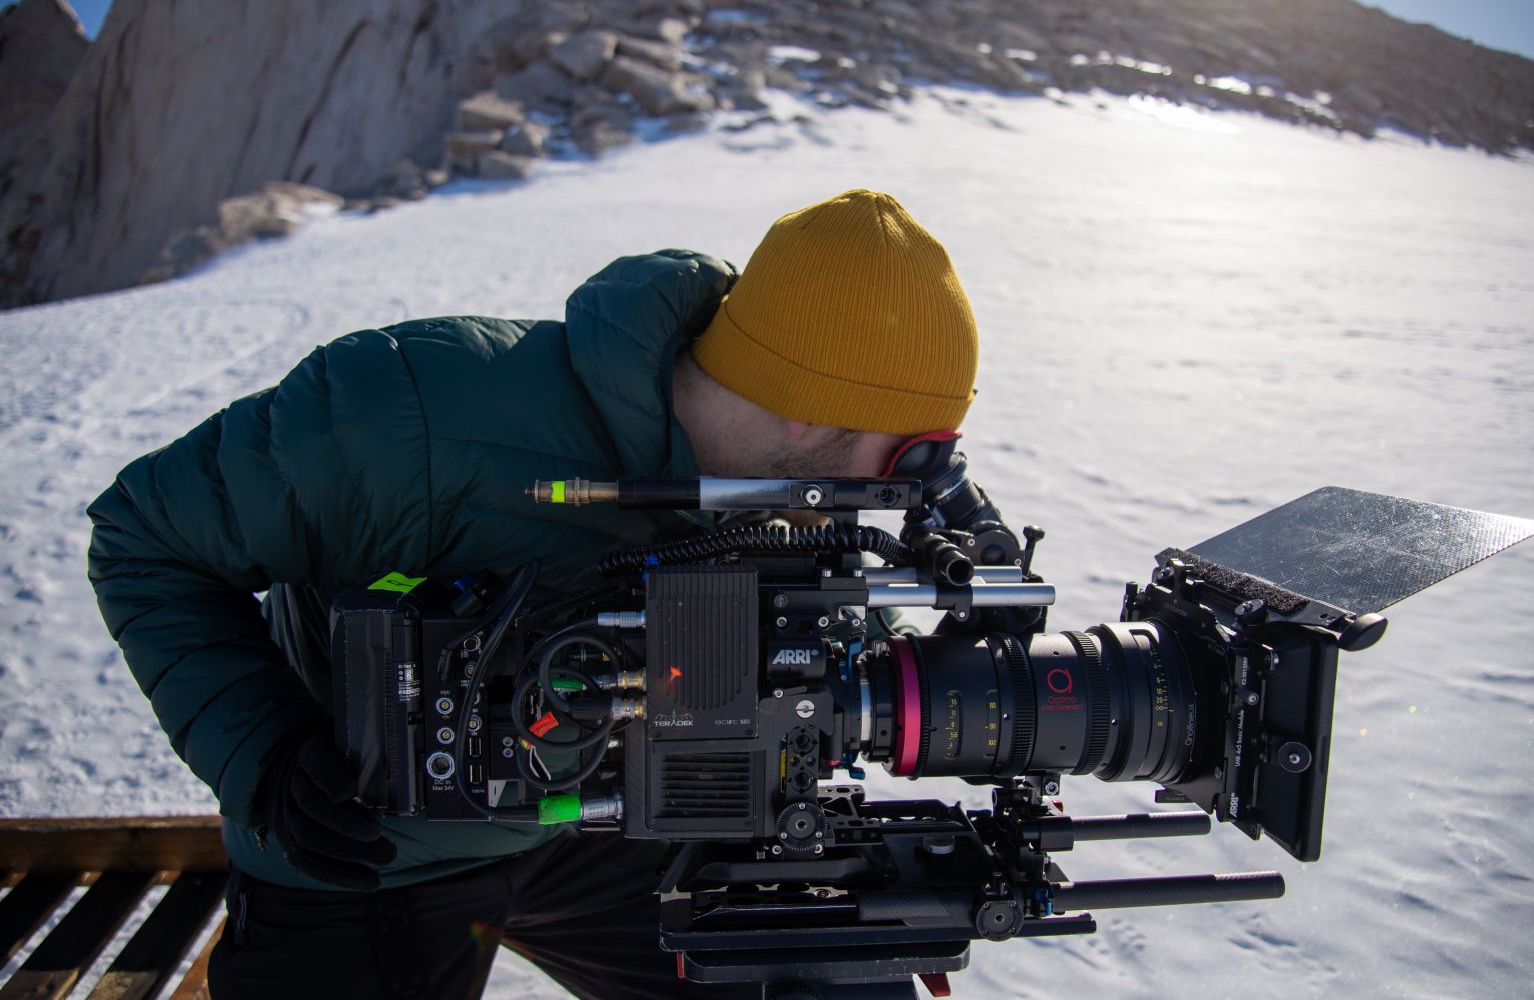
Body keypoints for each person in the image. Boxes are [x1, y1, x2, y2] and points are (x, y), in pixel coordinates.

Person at [87, 188, 980, 999]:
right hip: (372, 850)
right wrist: (268, 755)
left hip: (609, 823)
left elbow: (838, 627)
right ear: (807, 408)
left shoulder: (799, 499)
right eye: (911, 454)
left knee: (837, 981)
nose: (914, 488)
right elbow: (143, 536)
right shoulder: (410, 416)